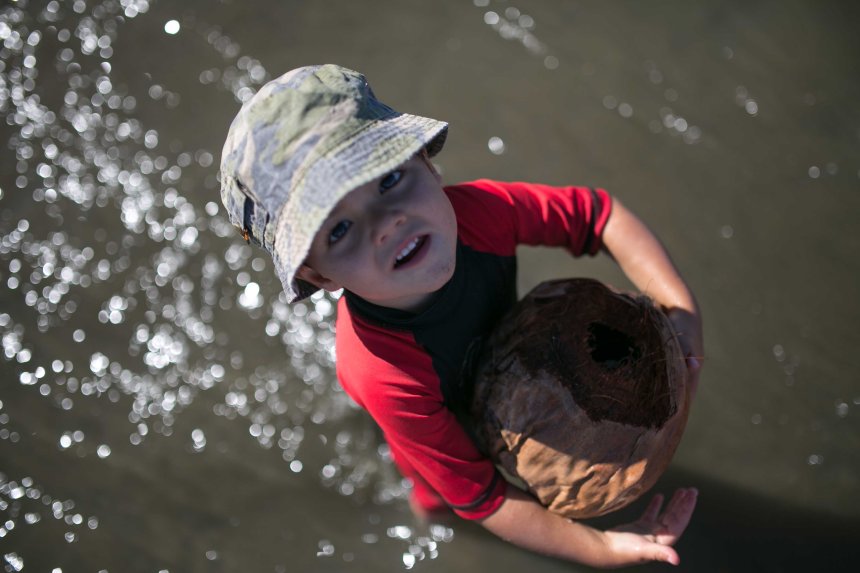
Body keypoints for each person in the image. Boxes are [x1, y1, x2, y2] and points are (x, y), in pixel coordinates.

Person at [219, 64, 704, 568]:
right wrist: (599, 548)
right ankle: (426, 517)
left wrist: (678, 310)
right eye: (339, 229)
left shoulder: (480, 213)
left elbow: (600, 217)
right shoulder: (383, 373)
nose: (387, 223)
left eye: (388, 178)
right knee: (440, 503)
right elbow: (481, 496)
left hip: (522, 374)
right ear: (319, 277)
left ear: (427, 162)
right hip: (444, 439)